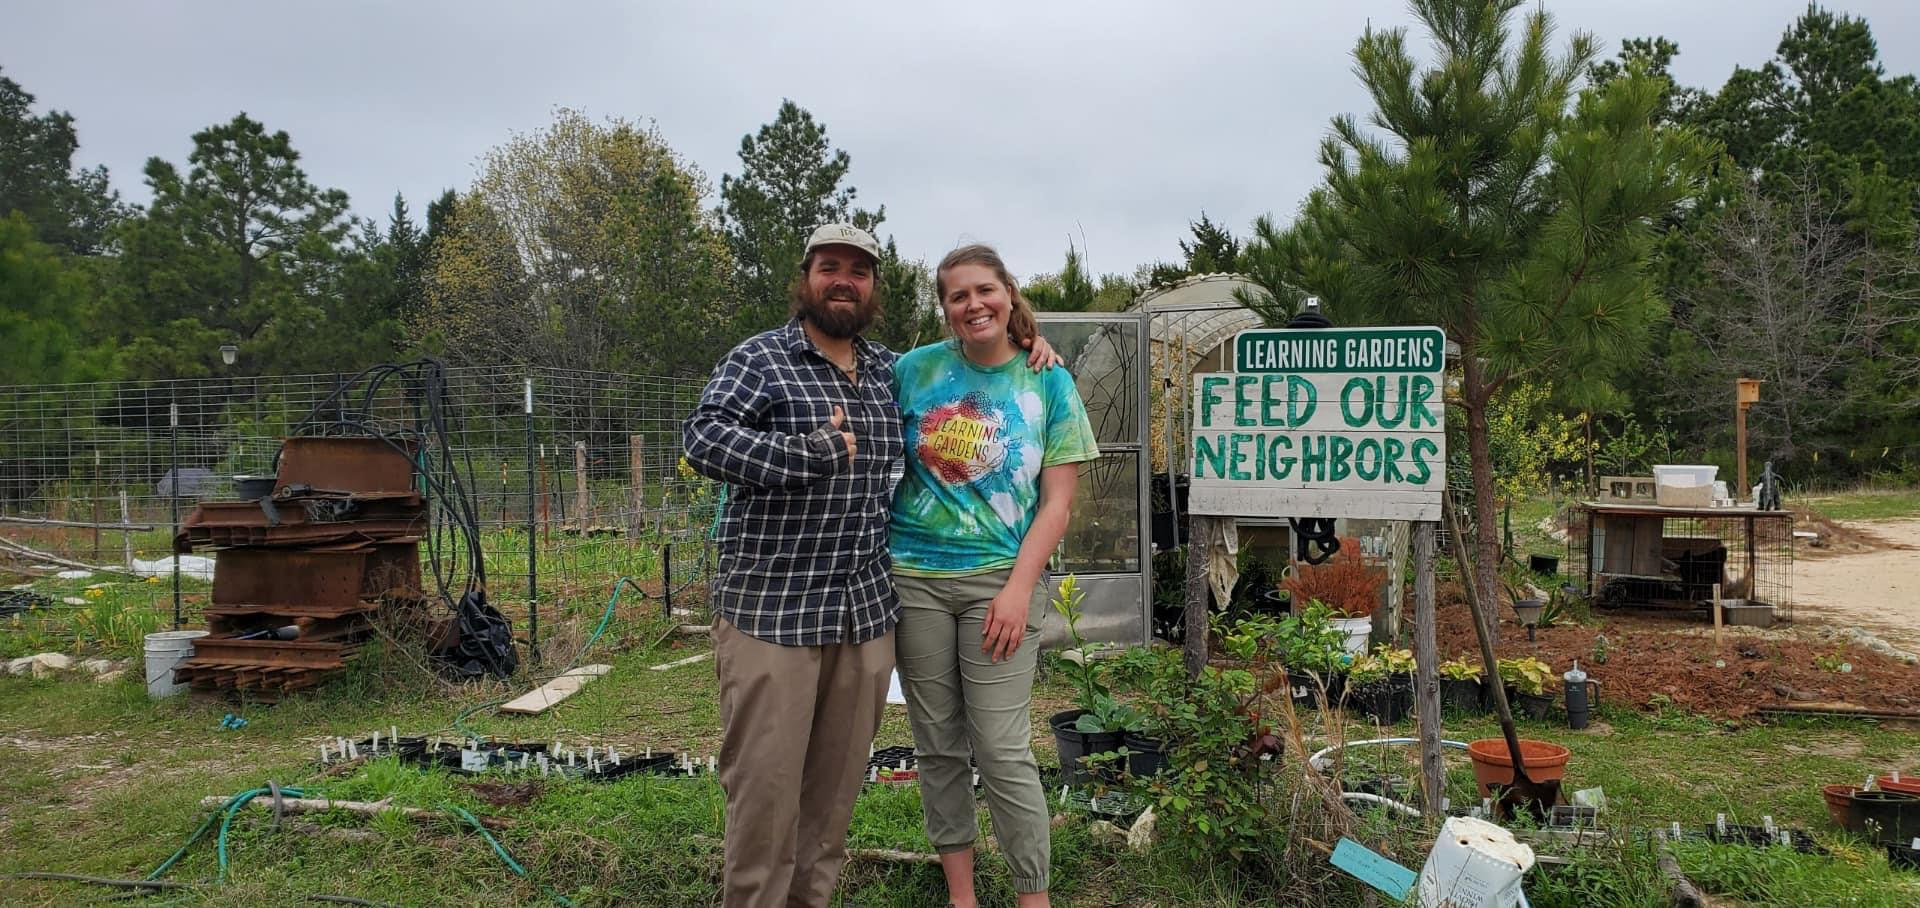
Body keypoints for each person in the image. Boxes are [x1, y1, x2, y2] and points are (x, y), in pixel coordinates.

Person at [681, 224, 1056, 908]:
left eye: (859, 270)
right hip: (773, 615)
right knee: (765, 797)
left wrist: (1029, 343)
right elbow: (703, 438)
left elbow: (977, 356)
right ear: (807, 278)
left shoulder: (892, 370)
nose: (843, 280)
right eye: (830, 267)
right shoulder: (761, 360)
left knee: (831, 802)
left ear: (873, 287)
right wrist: (807, 453)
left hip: (864, 617)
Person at [889, 244, 1099, 908]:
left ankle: (1032, 896)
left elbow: (1057, 503)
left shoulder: (1048, 383)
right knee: (938, 745)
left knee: (1004, 750)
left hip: (999, 582)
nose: (974, 304)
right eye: (958, 296)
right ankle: (962, 896)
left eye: (985, 290)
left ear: (1008, 293)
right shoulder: (912, 373)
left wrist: (1016, 589)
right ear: (946, 310)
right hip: (913, 579)